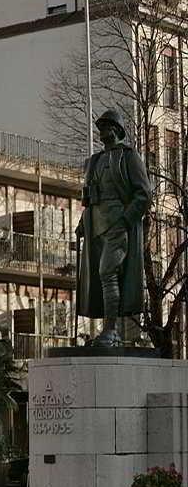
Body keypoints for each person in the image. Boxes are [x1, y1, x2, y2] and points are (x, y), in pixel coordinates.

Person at [76, 109, 152, 347]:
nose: (102, 131)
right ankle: (107, 331)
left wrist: (126, 220)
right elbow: (89, 199)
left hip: (117, 225)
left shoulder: (129, 157)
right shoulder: (95, 161)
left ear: (117, 129)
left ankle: (111, 331)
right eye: (100, 126)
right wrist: (81, 225)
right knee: (99, 279)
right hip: (96, 226)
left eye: (106, 126)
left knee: (108, 273)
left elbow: (144, 194)